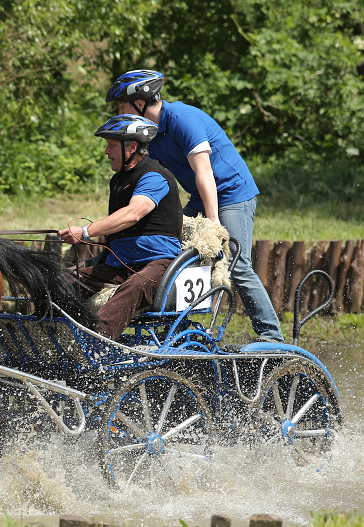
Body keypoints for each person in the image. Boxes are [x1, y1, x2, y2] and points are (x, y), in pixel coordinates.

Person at [106, 69, 284, 342]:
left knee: (235, 261)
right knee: (169, 246)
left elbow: (204, 172)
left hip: (232, 192)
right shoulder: (150, 134)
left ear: (140, 103)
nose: (120, 112)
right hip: (201, 195)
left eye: (122, 105)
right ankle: (174, 324)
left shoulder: (182, 120)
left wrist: (213, 223)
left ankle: (272, 336)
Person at [58, 114, 183, 341]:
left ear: (132, 147)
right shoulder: (117, 180)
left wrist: (86, 232)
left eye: (112, 145)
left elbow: (133, 213)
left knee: (134, 286)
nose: (106, 151)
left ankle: (96, 341)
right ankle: (53, 334)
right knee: (61, 280)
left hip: (159, 263)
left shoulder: (154, 175)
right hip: (121, 263)